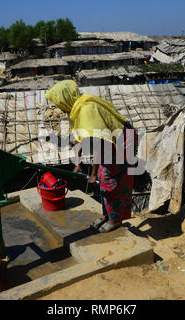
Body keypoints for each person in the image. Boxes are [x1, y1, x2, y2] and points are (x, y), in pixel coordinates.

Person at [44, 80, 136, 233]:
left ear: (64, 98)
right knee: (103, 178)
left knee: (108, 181)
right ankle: (107, 216)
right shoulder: (77, 108)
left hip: (122, 141)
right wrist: (77, 163)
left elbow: (101, 146)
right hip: (111, 142)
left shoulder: (86, 109)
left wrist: (93, 173)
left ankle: (115, 220)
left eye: (58, 102)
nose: (58, 107)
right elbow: (80, 140)